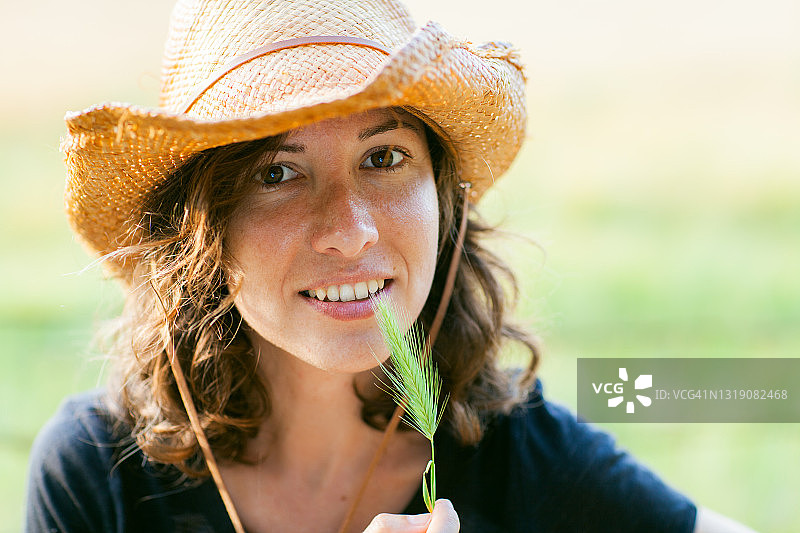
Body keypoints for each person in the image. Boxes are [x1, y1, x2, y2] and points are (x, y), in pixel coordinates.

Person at [26, 0, 756, 532]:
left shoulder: (519, 457)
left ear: (444, 197)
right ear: (198, 232)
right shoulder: (96, 473)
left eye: (383, 158)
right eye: (277, 173)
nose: (351, 232)